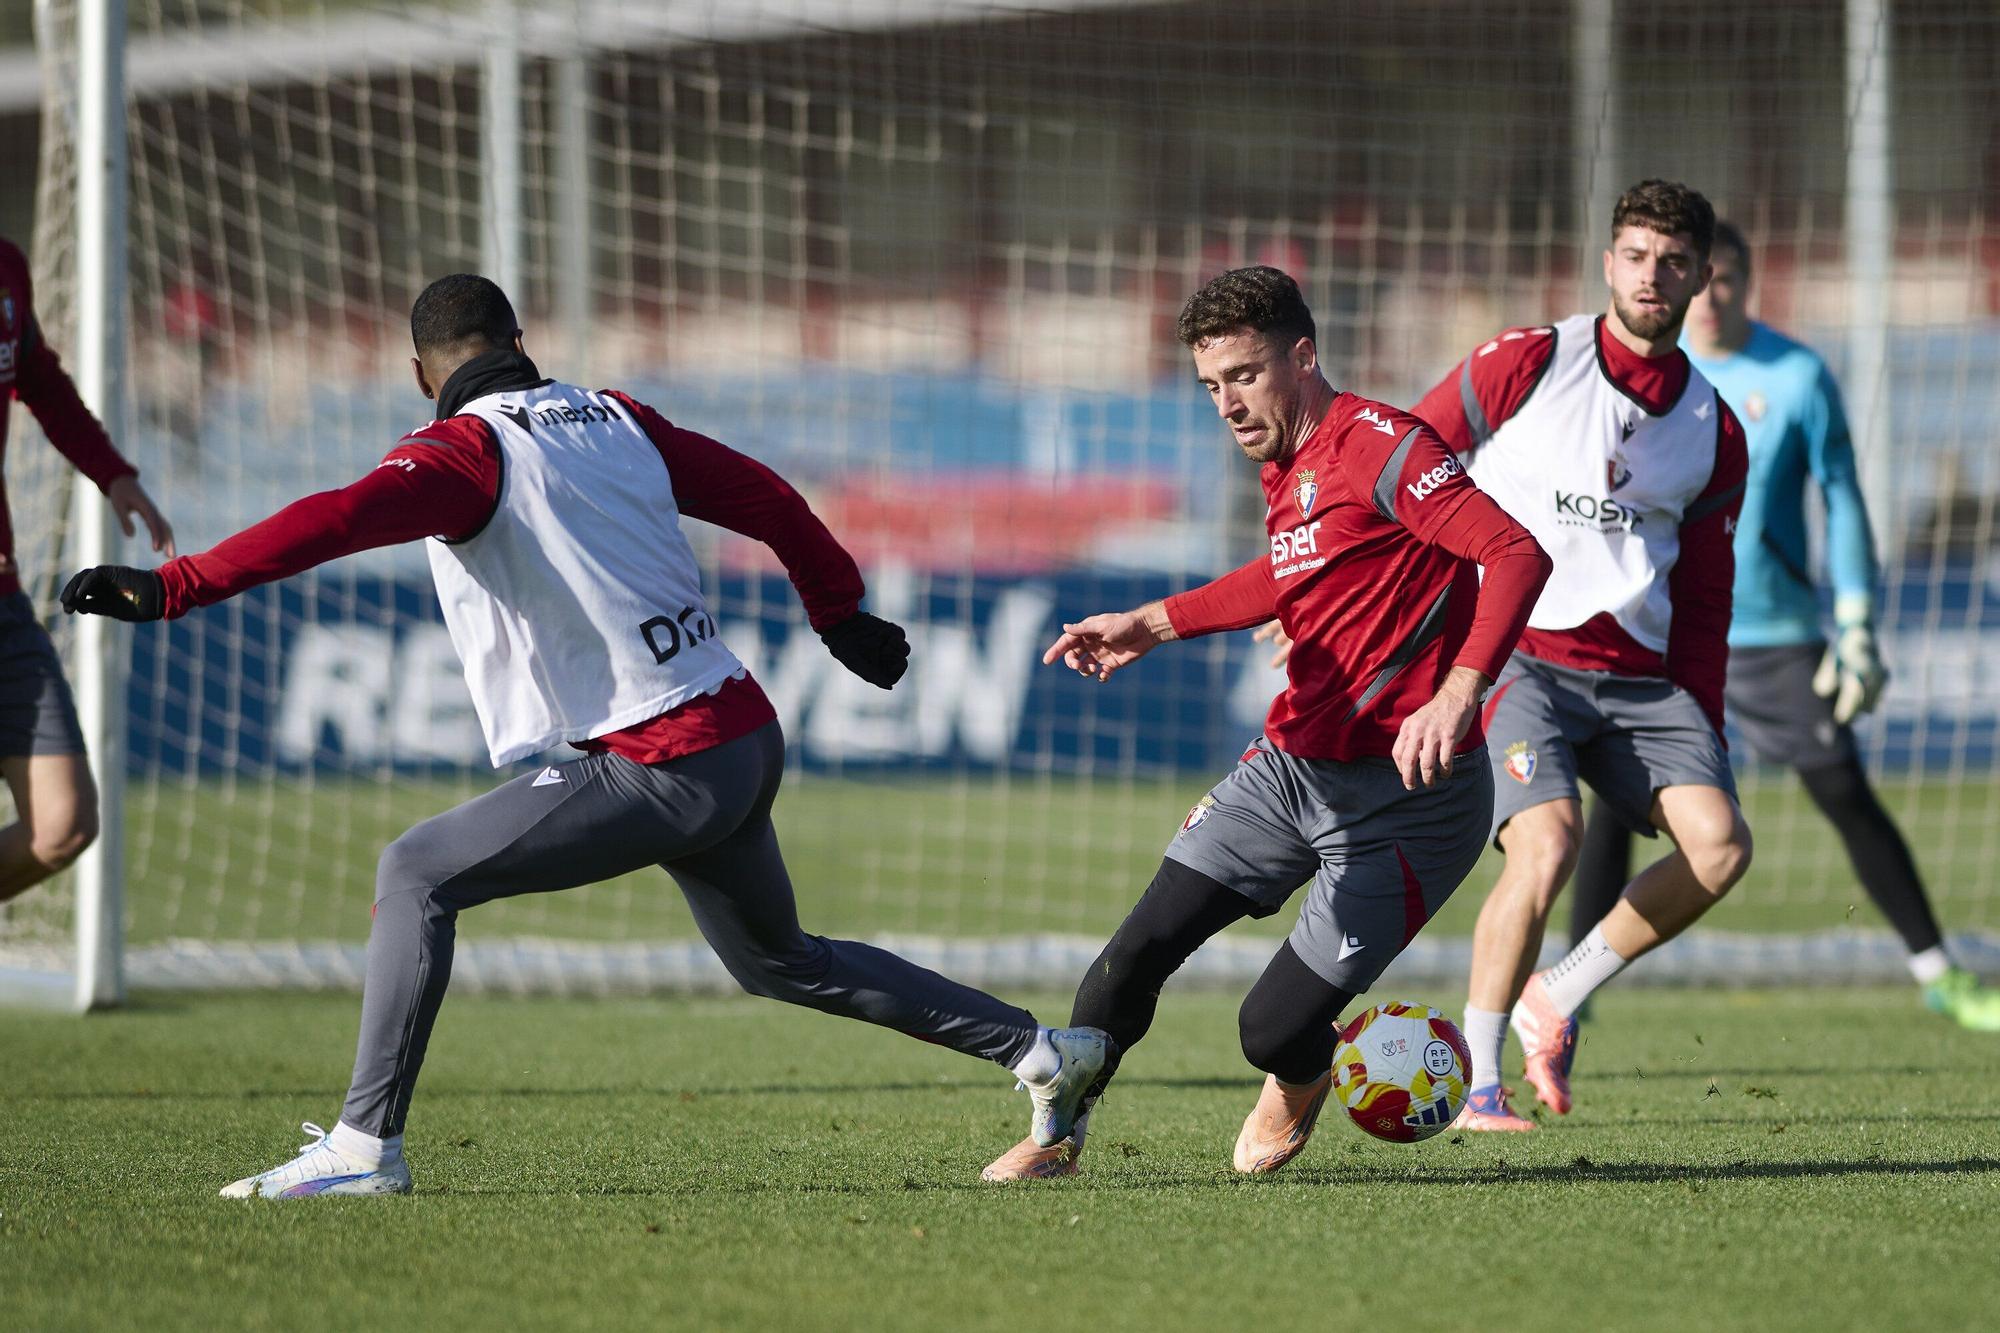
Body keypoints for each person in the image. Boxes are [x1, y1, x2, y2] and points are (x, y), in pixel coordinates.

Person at [62, 273, 1107, 1198]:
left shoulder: (463, 451)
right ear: (522, 342)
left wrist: (175, 586)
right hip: (741, 730)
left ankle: (363, 1146)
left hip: (664, 757)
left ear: (419, 373)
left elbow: (333, 518)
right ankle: (1038, 1050)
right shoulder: (617, 415)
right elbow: (770, 496)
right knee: (781, 959)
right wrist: (836, 611)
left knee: (415, 871)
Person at [981, 266, 1551, 1181]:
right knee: (1134, 953)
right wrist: (1151, 624)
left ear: (1304, 356)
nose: (1228, 404)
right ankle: (1056, 1138)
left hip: (1412, 803)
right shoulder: (1284, 458)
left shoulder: (1381, 445)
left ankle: (1305, 1073)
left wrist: (1458, 692)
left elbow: (1515, 553)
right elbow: (1288, 570)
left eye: (1244, 375)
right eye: (1211, 384)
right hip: (1288, 770)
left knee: (1271, 1028)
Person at [1566, 221, 2000, 1031]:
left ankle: (1939, 971)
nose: (1711, 296)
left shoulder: (1796, 375)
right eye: (1703, 280)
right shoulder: (1639, 376)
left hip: (1773, 636)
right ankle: (1571, 989)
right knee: (1618, 806)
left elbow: (1842, 494)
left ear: (1744, 283)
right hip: (1663, 632)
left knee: (1843, 789)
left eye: (1727, 279)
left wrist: (1857, 618)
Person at [1403, 180, 1753, 1131]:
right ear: (1608, 263)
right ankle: (1479, 1083)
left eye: (1673, 261)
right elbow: (1406, 462)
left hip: (1639, 680)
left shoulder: (1716, 430)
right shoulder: (1529, 360)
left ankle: (1555, 993)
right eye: (1635, 255)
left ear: (1701, 277)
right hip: (1515, 655)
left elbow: (1706, 601)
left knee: (1722, 844)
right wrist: (1344, 585)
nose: (1652, 276)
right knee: (1549, 839)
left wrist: (1706, 724)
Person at [0, 235, 175, 905]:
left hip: (4, 598)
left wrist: (111, 472)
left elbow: (39, 378)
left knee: (63, 824)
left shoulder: (9, 265)